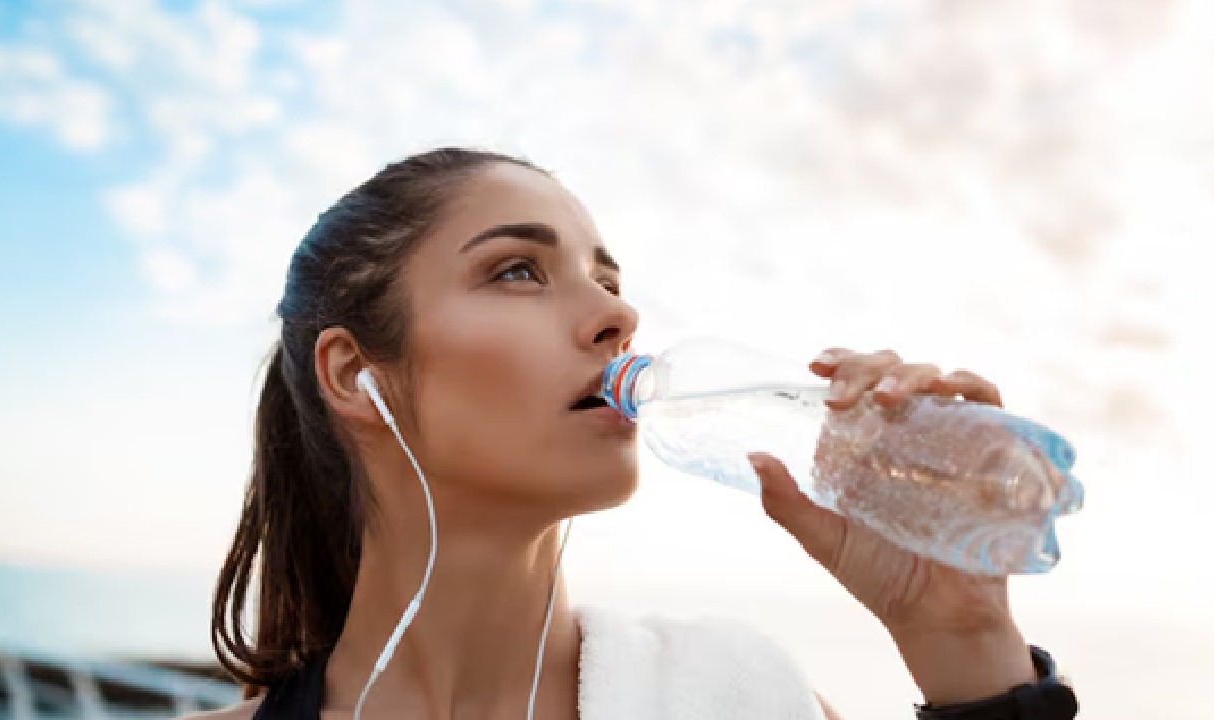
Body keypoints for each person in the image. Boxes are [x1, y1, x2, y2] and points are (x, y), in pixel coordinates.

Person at [199, 148, 1077, 720]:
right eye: (518, 271)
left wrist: (961, 640)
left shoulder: (736, 696)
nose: (618, 316)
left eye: (607, 280)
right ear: (356, 373)